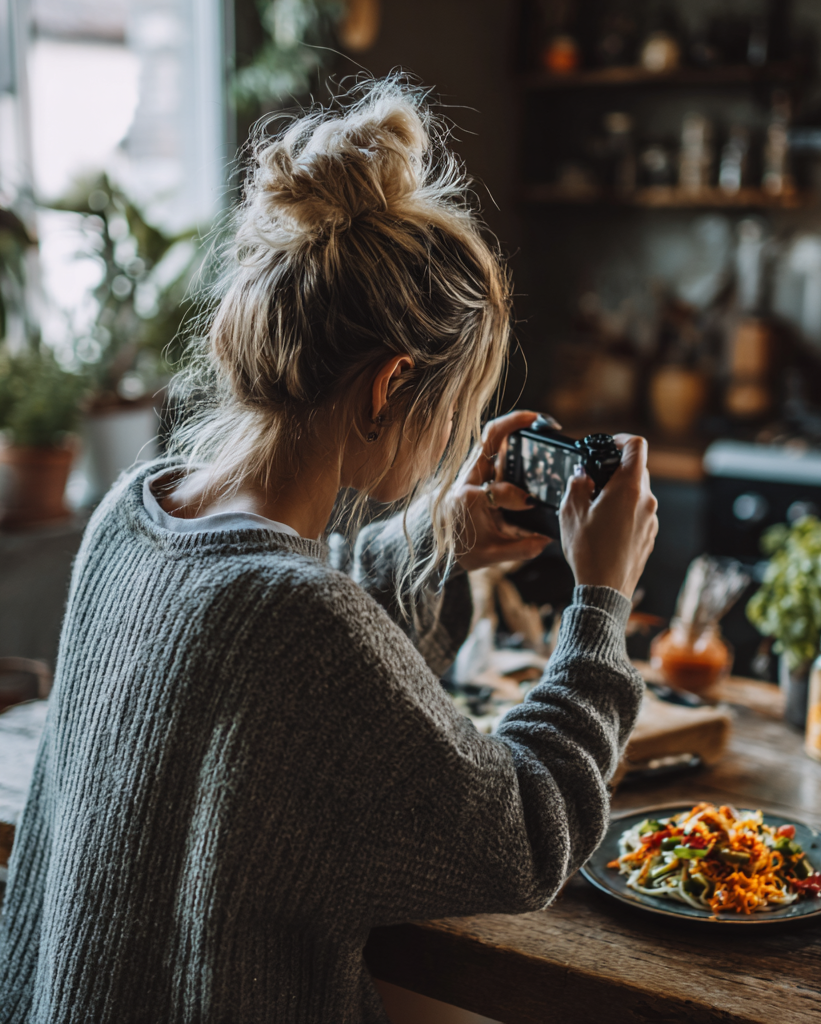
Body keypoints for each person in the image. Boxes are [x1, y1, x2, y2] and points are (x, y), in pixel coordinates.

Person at [0, 78, 658, 1024]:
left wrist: (434, 543)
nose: (449, 442)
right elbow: (524, 834)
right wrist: (601, 605)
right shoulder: (298, 625)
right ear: (391, 387)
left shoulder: (132, 517)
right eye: (454, 409)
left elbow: (266, 664)